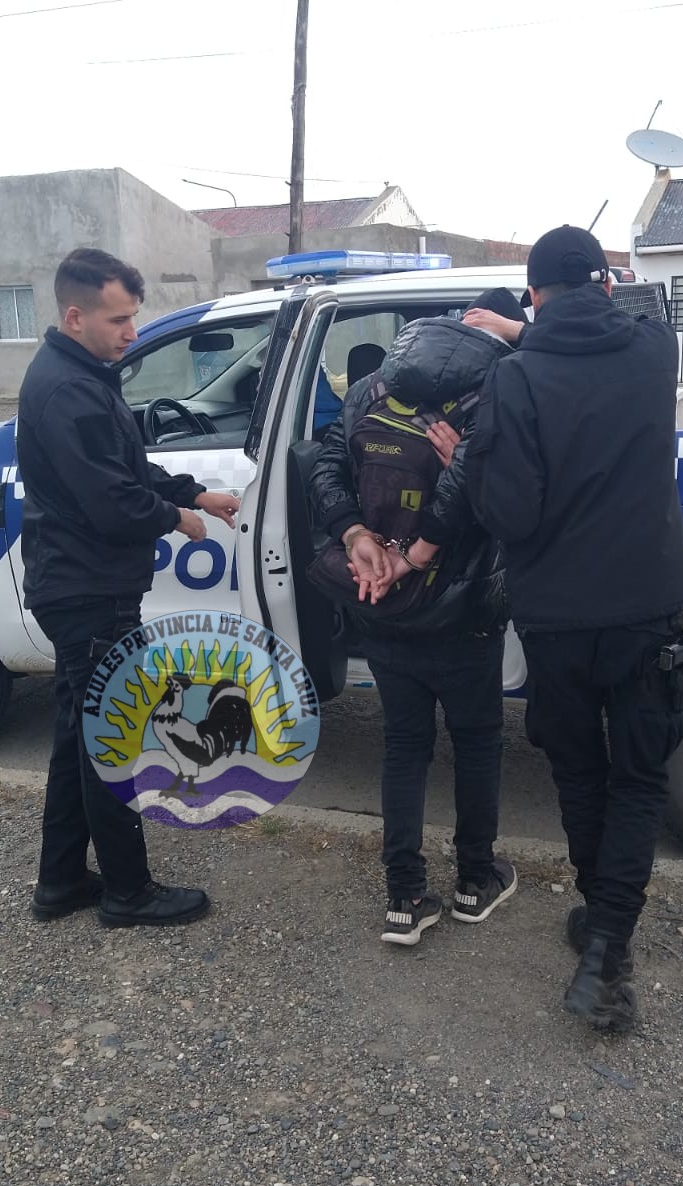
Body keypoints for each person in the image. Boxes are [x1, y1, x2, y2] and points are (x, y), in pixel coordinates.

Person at [464, 228, 683, 1030]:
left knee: (580, 773)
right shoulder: (656, 353)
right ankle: (607, 945)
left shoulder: (516, 380)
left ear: (532, 294)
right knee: (637, 781)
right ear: (605, 283)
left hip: (558, 619)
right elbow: (624, 319)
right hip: (647, 608)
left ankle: (601, 926)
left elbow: (511, 516)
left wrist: (474, 459)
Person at [16, 247, 241, 928]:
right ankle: (126, 891)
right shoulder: (68, 390)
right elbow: (113, 501)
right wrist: (178, 518)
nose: (131, 333)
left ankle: (60, 882)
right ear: (75, 314)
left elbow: (128, 465)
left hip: (85, 583)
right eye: (118, 320)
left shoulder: (85, 374)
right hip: (88, 591)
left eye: (134, 318)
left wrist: (192, 489)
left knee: (76, 735)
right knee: (109, 737)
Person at [307, 290, 527, 946]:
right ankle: (474, 881)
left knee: (403, 746)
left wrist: (355, 537)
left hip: (380, 601)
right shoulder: (500, 395)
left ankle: (404, 897)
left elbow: (324, 464)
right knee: (478, 744)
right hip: (463, 612)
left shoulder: (374, 387)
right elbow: (503, 502)